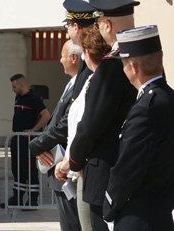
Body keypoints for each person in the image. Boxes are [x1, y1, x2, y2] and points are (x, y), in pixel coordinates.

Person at [57, 1, 139, 230]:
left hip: (104, 169)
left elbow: (91, 124)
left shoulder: (111, 65)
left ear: (108, 25)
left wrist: (72, 161)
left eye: (99, 23)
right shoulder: (140, 55)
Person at [103, 25, 174, 231]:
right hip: (161, 214)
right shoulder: (167, 98)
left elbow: (128, 168)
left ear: (133, 68)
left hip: (137, 218)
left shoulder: (146, 108)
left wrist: (109, 206)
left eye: (124, 65)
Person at [29, 40, 82, 231]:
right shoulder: (72, 83)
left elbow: (64, 125)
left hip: (68, 167)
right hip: (61, 166)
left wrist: (36, 145)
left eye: (62, 55)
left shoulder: (80, 86)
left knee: (72, 223)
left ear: (74, 58)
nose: (59, 60)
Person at [61, 0, 96, 229]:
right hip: (81, 163)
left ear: (75, 27)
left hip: (89, 163)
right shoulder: (86, 64)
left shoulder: (93, 65)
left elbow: (90, 121)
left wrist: (70, 161)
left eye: (67, 26)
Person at [2, 74, 50, 209]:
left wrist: (33, 130)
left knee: (28, 168)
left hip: (27, 140)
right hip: (16, 138)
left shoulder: (33, 98)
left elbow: (46, 115)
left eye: (14, 86)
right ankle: (17, 196)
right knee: (17, 168)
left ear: (22, 85)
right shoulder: (18, 97)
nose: (12, 89)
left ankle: (33, 198)